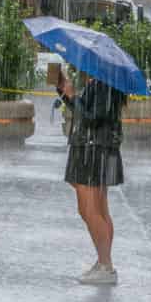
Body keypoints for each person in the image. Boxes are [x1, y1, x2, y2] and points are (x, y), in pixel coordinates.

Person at [54, 65, 127, 286]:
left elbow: (92, 118)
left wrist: (73, 95)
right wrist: (65, 93)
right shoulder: (101, 81)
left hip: (94, 150)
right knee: (96, 209)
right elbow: (85, 111)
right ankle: (104, 263)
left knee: (91, 210)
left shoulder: (106, 84)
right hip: (92, 148)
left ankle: (106, 266)